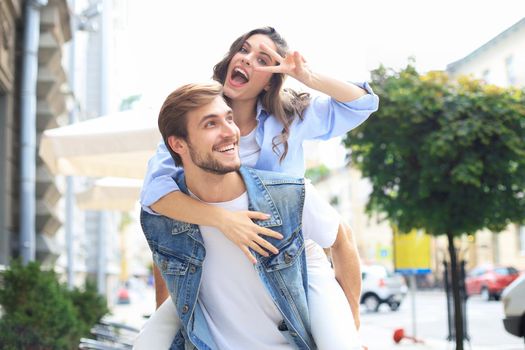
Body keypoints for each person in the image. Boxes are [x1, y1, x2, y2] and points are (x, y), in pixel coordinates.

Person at [138, 27, 378, 348]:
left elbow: (362, 104)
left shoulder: (291, 118)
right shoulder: (196, 123)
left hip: (290, 257)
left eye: (263, 59)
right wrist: (223, 220)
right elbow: (155, 198)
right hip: (220, 259)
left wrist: (306, 75)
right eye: (244, 50)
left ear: (270, 79)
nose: (247, 59)